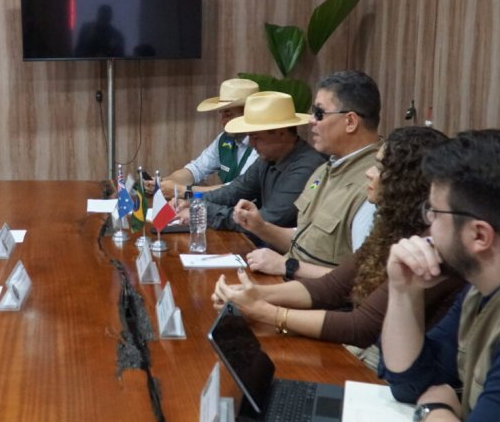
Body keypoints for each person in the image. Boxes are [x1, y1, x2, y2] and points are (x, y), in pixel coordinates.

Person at [212, 127, 462, 370]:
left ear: (406, 182)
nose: (369, 173)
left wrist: (266, 312)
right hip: (367, 349)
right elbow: (332, 286)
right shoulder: (391, 224)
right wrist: (250, 294)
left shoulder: (430, 243)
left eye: (380, 168)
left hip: (382, 364)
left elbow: (361, 326)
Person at [379, 130, 500, 421]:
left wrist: (434, 410)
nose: (428, 225)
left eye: (434, 213)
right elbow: (412, 383)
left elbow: (429, 396)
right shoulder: (489, 285)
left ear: (479, 235)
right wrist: (404, 291)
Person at [236, 70, 383, 279]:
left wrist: (287, 266)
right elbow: (306, 240)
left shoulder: (375, 183)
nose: (311, 121)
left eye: (320, 113)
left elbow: (363, 281)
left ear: (350, 122)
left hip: (319, 304)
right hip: (291, 288)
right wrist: (261, 227)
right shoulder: (325, 169)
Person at [175, 92, 325, 235]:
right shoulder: (267, 158)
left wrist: (203, 210)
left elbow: (265, 222)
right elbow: (233, 192)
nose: (251, 144)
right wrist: (193, 202)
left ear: (281, 133)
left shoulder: (307, 168)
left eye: (256, 137)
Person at [150, 78, 260, 198]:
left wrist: (183, 191)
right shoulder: (224, 139)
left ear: (248, 113)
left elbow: (235, 190)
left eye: (228, 114)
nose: (223, 121)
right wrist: (162, 182)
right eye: (221, 114)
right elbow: (196, 169)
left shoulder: (261, 145)